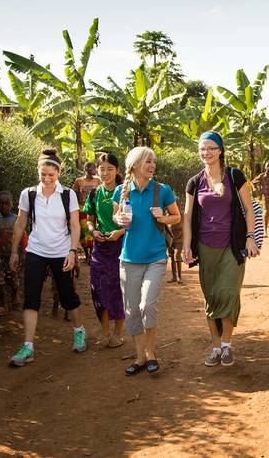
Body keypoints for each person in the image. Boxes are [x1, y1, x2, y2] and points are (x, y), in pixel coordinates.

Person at [183, 131, 260, 367]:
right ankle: (216, 347)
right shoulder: (194, 182)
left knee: (228, 293)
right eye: (202, 149)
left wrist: (250, 237)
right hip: (205, 248)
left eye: (211, 148)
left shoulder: (235, 176)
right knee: (212, 297)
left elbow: (248, 209)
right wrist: (186, 245)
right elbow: (187, 217)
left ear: (220, 150)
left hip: (232, 246)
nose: (206, 153)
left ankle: (227, 345)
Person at [8, 148, 87, 367]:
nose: (47, 179)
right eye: (43, 175)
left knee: (67, 295)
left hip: (61, 251)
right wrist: (14, 251)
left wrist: (73, 251)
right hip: (36, 250)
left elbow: (74, 224)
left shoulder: (67, 195)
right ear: (38, 172)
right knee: (31, 297)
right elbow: (21, 223)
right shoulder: (29, 194)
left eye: (51, 175)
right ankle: (28, 347)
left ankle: (79, 331)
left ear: (58, 173)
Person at [113, 146, 181, 376]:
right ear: (134, 165)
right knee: (132, 310)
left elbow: (177, 216)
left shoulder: (162, 191)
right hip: (129, 258)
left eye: (153, 161)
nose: (152, 165)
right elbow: (116, 216)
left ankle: (151, 353)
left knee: (147, 305)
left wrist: (163, 217)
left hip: (155, 257)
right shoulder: (122, 191)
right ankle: (140, 356)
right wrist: (120, 219)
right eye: (147, 162)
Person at [83, 152, 126, 348]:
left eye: (110, 169)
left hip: (121, 246)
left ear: (117, 171)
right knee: (97, 289)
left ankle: (118, 333)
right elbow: (90, 219)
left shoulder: (125, 193)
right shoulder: (94, 193)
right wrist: (93, 231)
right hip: (100, 249)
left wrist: (120, 231)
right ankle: (106, 333)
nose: (106, 173)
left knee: (117, 290)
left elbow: (133, 220)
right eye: (102, 169)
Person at [0, 191, 26, 316]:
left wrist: (25, 251)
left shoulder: (17, 220)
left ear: (11, 204)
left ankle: (15, 295)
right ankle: (3, 304)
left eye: (6, 203)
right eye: (1, 204)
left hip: (13, 255)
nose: (4, 206)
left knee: (14, 279)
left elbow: (24, 237)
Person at [72, 162, 101, 264]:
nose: (94, 171)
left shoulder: (98, 180)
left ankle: (93, 255)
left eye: (94, 169)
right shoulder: (79, 181)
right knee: (84, 232)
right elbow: (74, 195)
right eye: (92, 169)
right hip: (82, 208)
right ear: (87, 170)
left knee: (92, 230)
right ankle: (87, 255)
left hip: (94, 209)